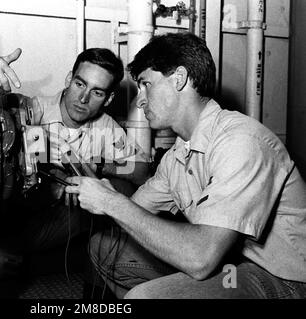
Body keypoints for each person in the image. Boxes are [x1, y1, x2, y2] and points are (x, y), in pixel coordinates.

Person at [65, 32, 306, 299]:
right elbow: (134, 213)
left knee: (145, 298)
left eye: (146, 84)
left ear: (179, 79)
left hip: (283, 278)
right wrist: (96, 193)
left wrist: (112, 202)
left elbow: (200, 258)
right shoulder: (178, 155)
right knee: (104, 247)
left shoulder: (242, 141)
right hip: (231, 267)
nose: (140, 100)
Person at [0, 48, 150, 252]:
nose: (83, 98)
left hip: (66, 219)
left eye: (97, 92)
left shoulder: (106, 126)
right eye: (80, 84)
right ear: (69, 79)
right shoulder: (31, 109)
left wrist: (101, 166)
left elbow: (141, 170)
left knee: (121, 190)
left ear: (108, 99)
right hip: (17, 216)